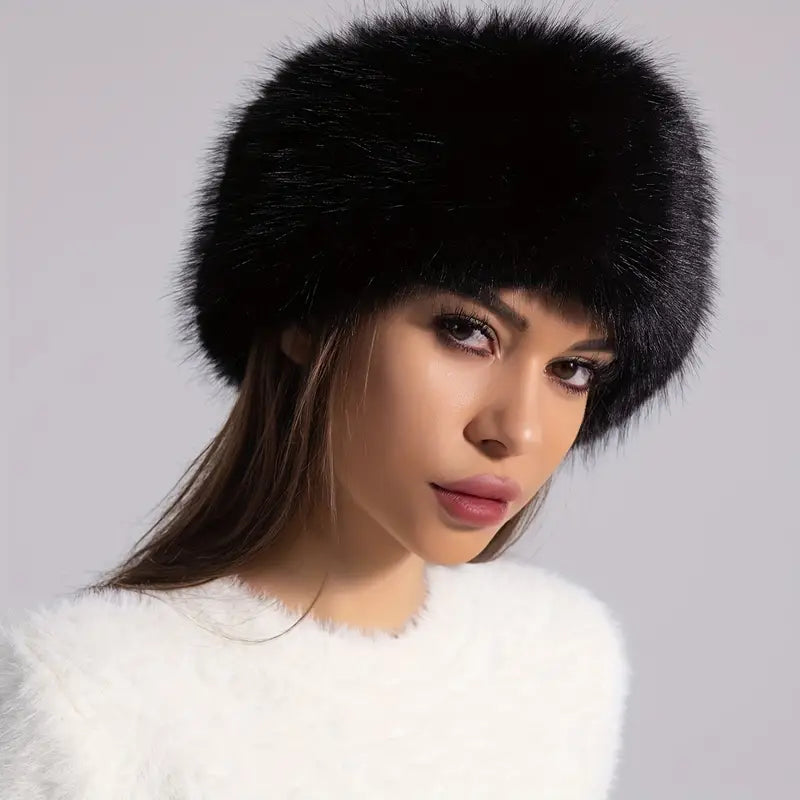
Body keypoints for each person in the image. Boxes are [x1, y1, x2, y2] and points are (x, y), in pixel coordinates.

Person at [0, 4, 718, 798]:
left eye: (574, 370)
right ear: (307, 319)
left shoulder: (559, 658)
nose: (515, 429)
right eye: (466, 331)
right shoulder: (86, 697)